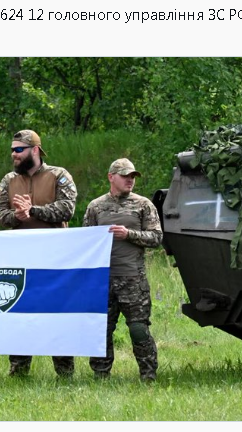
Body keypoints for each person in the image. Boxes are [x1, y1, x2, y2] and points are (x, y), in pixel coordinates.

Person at [0, 129, 77, 377]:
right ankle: (18, 371)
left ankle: (64, 372)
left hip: (54, 259)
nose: (14, 154)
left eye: (19, 149)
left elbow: (67, 209)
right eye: (12, 150)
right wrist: (16, 216)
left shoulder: (59, 175)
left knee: (56, 312)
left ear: (35, 150)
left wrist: (34, 211)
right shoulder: (9, 180)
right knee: (19, 311)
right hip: (20, 258)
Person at [82, 158, 162, 382]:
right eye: (125, 176)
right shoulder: (96, 206)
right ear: (111, 177)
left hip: (133, 279)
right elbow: (86, 241)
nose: (130, 180)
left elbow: (157, 237)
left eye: (133, 176)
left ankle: (148, 376)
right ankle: (100, 376)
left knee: (138, 329)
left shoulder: (143, 204)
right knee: (102, 329)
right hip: (103, 280)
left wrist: (129, 234)